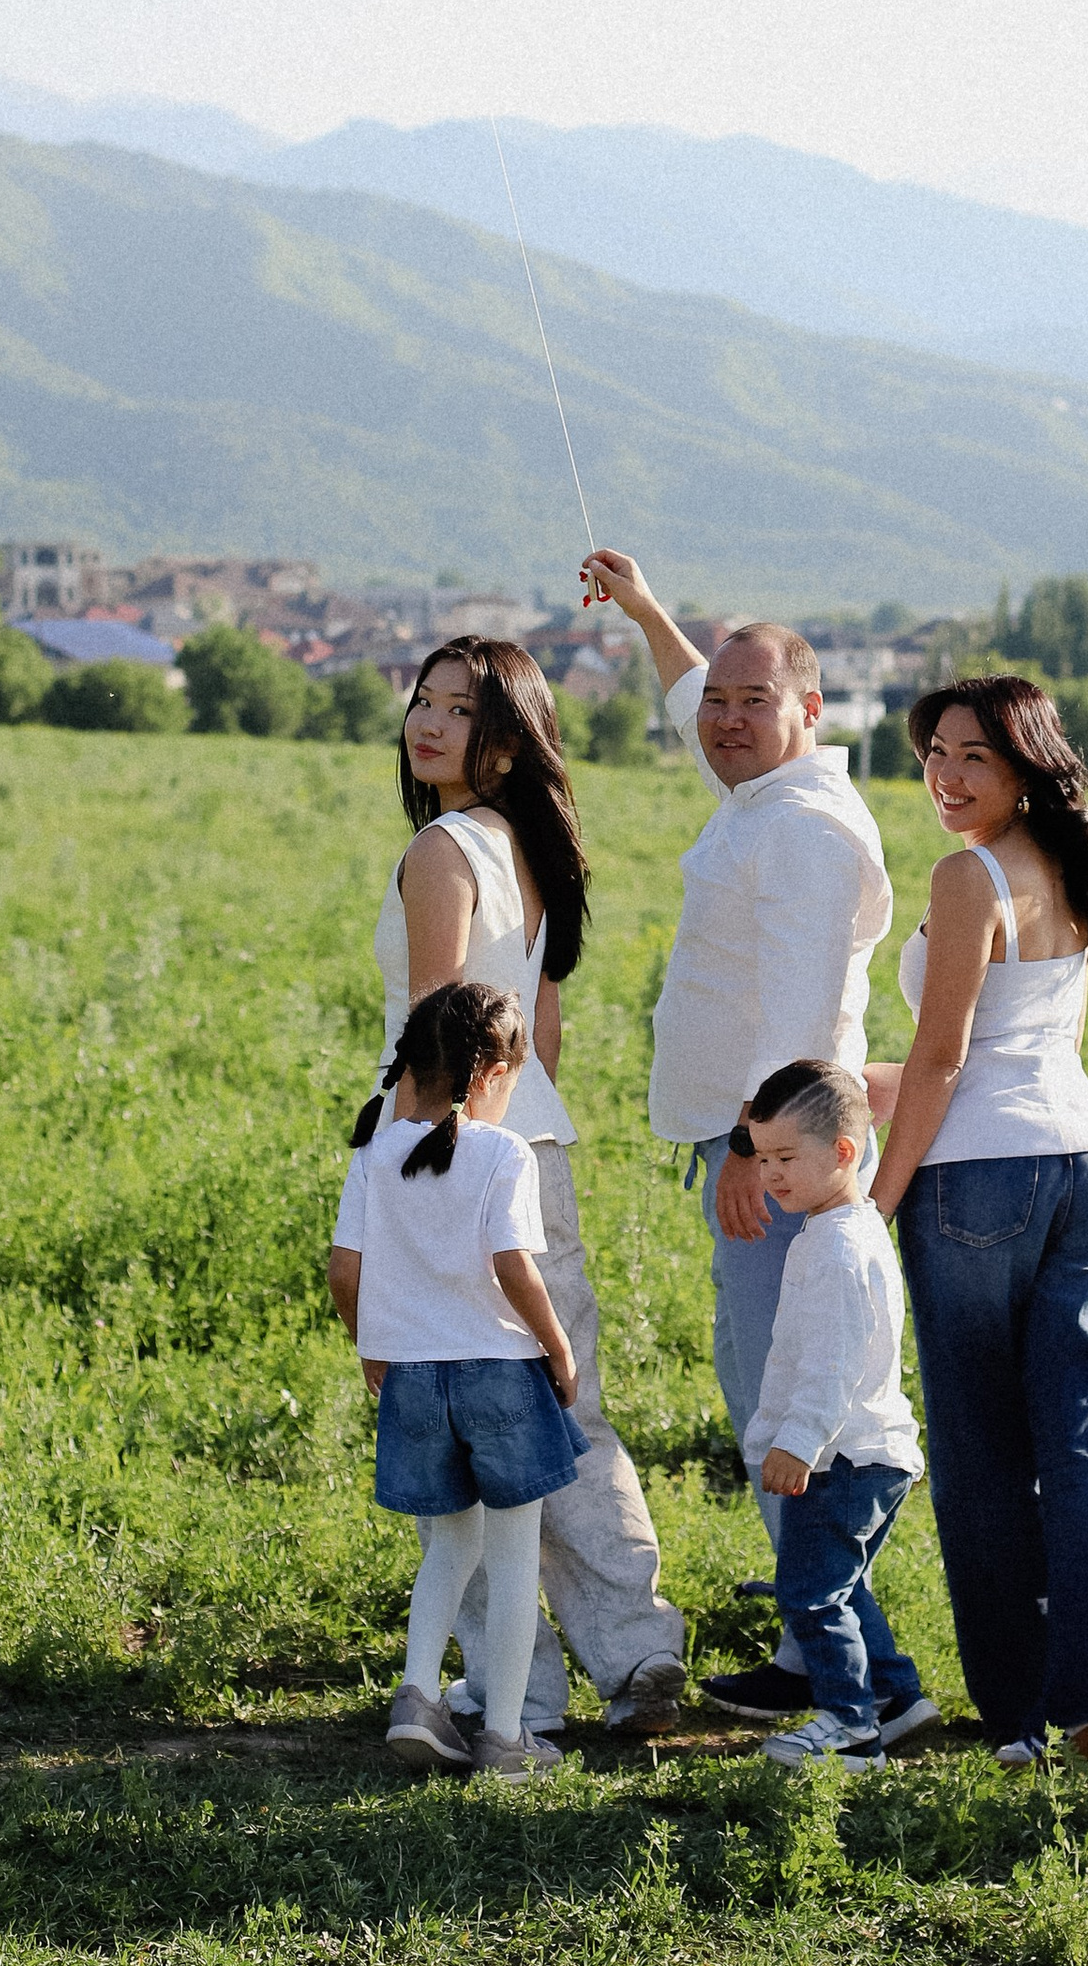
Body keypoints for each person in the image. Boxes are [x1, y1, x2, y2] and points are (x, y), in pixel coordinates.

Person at [578, 549, 920, 1737]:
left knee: (787, 1411)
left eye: (752, 701)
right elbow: (695, 701)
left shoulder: (806, 829)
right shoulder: (765, 794)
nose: (723, 720)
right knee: (774, 1402)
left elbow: (803, 1020)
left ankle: (862, 1680)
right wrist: (645, 611)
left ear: (810, 710)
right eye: (717, 702)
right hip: (767, 1150)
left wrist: (746, 1150)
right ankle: (816, 1650)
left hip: (780, 1160)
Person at [372, 636, 684, 1745]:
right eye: (424, 699)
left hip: (448, 1155)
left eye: (461, 709)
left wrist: (406, 1179)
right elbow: (536, 1029)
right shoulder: (527, 850)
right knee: (563, 1403)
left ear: (507, 744)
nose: (429, 721)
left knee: (453, 1421)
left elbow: (437, 1033)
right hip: (532, 1145)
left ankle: (516, 1692)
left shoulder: (443, 850)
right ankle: (636, 1647)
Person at [870, 674, 1088, 1771]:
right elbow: (1034, 1043)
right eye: (934, 752)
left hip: (978, 1181)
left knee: (982, 1454)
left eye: (973, 756)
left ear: (1026, 764)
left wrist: (879, 1199)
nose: (944, 774)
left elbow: (944, 1059)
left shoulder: (966, 875)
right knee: (1084, 1445)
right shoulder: (1068, 873)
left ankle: (1018, 1720)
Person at [329, 981, 586, 1782]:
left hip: (411, 1377)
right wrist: (558, 1347)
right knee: (512, 1560)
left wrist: (371, 1344)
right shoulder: (503, 1153)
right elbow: (512, 1266)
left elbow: (344, 1272)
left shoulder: (375, 1155)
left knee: (449, 1544)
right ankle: (505, 1737)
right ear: (492, 1075)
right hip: (500, 1376)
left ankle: (416, 1699)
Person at [736, 1059, 933, 1772]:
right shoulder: (842, 1229)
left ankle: (850, 1727)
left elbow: (833, 1362)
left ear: (844, 1151)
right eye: (762, 1158)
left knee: (811, 1595)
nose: (770, 1175)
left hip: (840, 1457)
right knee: (841, 1586)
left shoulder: (840, 1250)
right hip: (868, 1452)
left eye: (786, 1158)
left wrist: (798, 1441)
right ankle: (895, 1695)